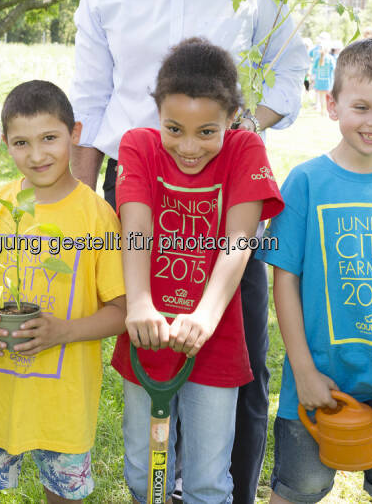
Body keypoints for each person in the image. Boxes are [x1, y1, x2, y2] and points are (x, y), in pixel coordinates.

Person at [70, 0, 308, 501]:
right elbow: (90, 98)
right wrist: (85, 200)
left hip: (231, 191)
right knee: (145, 340)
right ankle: (153, 482)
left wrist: (231, 140)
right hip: (139, 184)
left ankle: (222, 489)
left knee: (235, 345)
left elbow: (290, 70)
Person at [257, 38, 372, 504]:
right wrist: (302, 370)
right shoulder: (305, 182)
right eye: (360, 106)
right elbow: (285, 281)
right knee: (297, 490)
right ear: (332, 104)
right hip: (315, 382)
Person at [112, 39, 285, 503]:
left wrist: (205, 317)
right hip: (148, 338)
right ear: (157, 115)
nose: (189, 147)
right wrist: (140, 301)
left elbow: (240, 240)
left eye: (207, 131)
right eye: (175, 128)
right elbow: (137, 228)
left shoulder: (246, 149)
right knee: (143, 475)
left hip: (215, 340)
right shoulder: (138, 146)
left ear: (232, 119)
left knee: (208, 480)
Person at [0, 80, 127, 503]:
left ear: (75, 133)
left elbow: (122, 310)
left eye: (49, 138)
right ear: (6, 145)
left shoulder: (96, 216)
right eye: (21, 143)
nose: (36, 155)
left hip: (64, 406)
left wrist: (62, 331)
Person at [312, 45, 336, 115]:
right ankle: (326, 110)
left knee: (321, 96)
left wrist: (313, 77)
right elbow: (334, 69)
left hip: (319, 81)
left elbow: (314, 69)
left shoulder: (318, 58)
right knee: (327, 97)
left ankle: (323, 111)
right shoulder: (330, 58)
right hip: (328, 81)